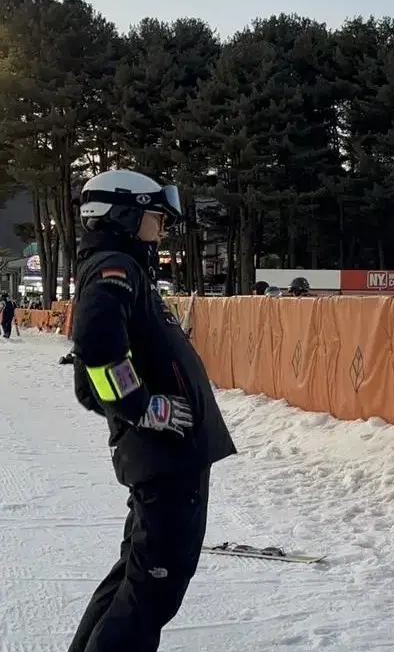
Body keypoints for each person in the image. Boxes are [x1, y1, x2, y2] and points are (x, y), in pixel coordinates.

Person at [67, 169, 237, 652]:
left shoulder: (125, 267)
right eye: (154, 216)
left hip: (167, 454)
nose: (161, 227)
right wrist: (141, 406)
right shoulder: (113, 268)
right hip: (165, 457)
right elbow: (98, 351)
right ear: (122, 214)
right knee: (152, 590)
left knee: (135, 575)